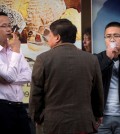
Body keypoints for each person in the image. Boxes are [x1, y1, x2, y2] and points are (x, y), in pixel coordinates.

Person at [29, 18, 104, 134]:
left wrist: (36, 117)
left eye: (50, 35)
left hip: (52, 125)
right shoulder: (91, 60)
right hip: (83, 124)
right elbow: (97, 92)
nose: (48, 39)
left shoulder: (42, 59)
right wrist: (98, 114)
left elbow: (35, 93)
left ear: (57, 38)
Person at [0, 12, 32, 134]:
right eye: (4, 26)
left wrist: (8, 79)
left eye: (9, 25)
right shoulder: (16, 50)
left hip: (20, 107)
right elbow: (9, 75)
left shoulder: (13, 49)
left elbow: (28, 74)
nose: (9, 29)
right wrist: (16, 51)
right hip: (2, 108)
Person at [95, 22, 120, 134]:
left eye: (116, 36)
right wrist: (108, 59)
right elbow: (92, 79)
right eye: (108, 36)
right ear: (104, 39)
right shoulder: (96, 58)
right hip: (102, 119)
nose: (112, 40)